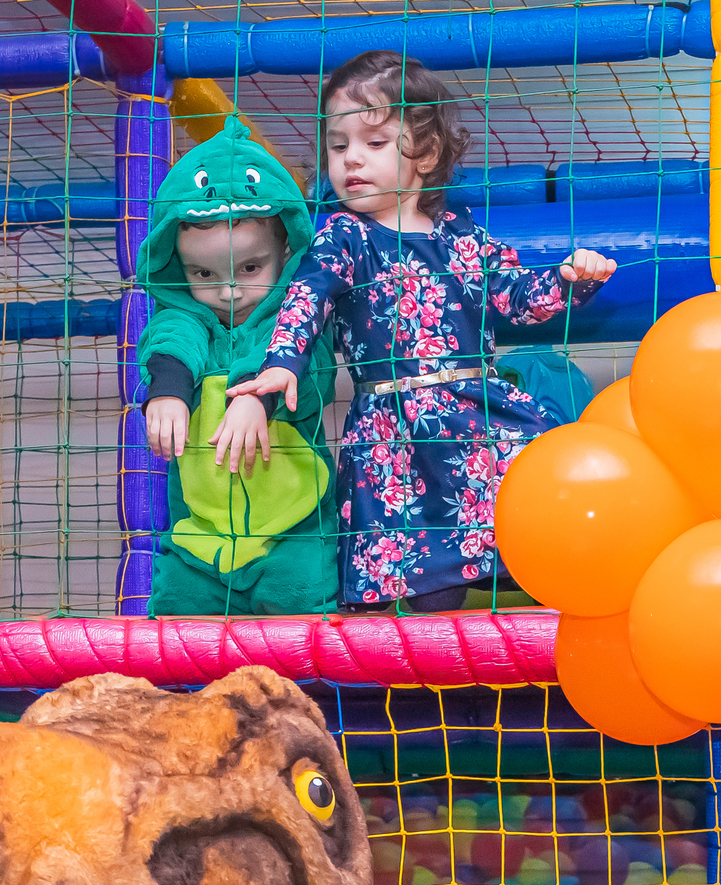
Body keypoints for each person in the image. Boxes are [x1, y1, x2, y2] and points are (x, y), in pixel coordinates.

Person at [224, 51, 618, 613]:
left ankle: (545, 612)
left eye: (374, 142)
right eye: (338, 146)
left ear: (427, 154)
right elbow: (306, 296)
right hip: (393, 434)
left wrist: (569, 278)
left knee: (535, 520)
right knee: (426, 583)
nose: (351, 159)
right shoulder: (344, 236)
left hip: (473, 417)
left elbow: (516, 299)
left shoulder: (463, 236)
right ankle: (431, 654)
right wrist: (282, 362)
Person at [137, 116, 339, 615]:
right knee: (177, 612)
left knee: (302, 609)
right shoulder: (188, 318)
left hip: (294, 531)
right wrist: (168, 389)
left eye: (250, 268)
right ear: (177, 266)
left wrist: (256, 395)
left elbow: (304, 365)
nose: (229, 291)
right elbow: (172, 338)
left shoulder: (297, 321)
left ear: (285, 252)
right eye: (204, 273)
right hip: (199, 538)